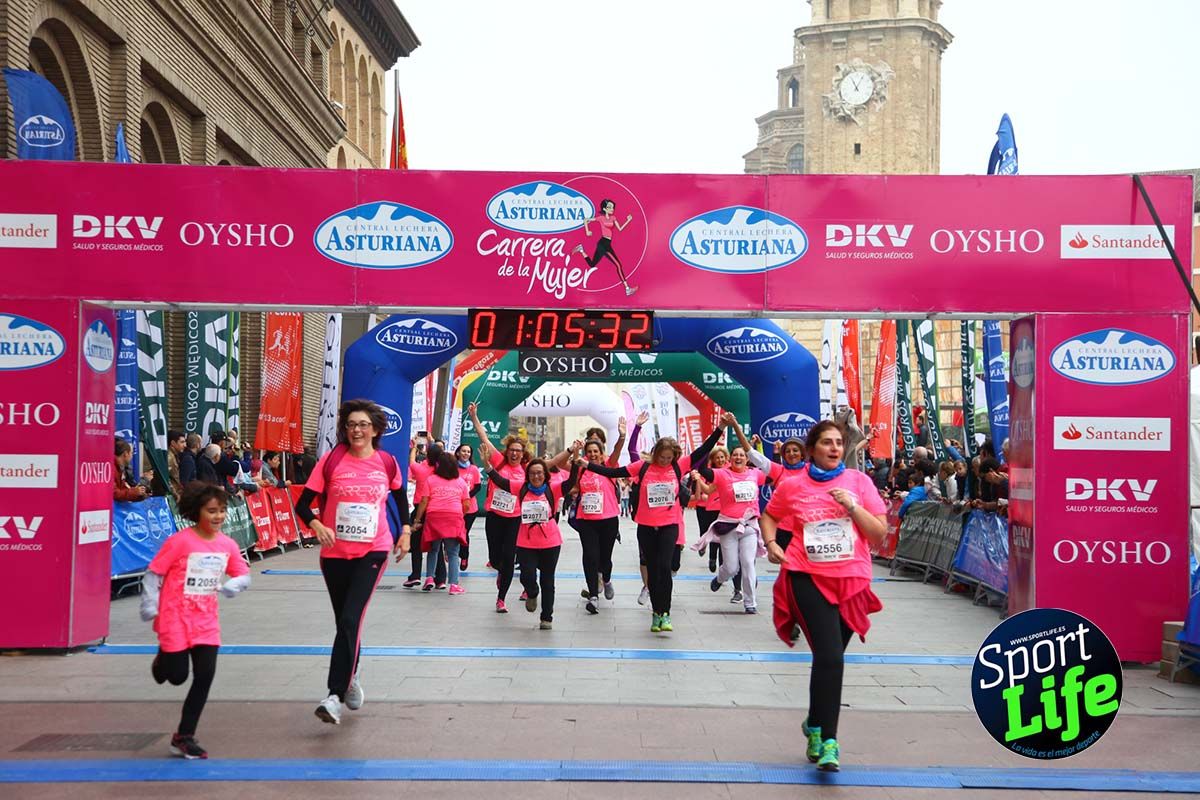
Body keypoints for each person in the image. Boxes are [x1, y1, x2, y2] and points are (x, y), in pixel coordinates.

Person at [759, 420, 888, 773]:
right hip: (807, 575)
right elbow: (769, 515)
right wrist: (771, 544)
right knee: (830, 656)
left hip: (852, 579)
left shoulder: (859, 483)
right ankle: (829, 741)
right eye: (827, 443)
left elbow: (878, 534)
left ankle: (814, 723)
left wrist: (853, 507)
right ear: (812, 448)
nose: (834, 448)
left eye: (838, 443)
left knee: (829, 659)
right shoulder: (793, 485)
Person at [293, 399, 411, 726]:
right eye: (350, 425)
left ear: (375, 429)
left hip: (373, 551)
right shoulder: (332, 461)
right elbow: (303, 505)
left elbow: (401, 500)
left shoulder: (386, 462)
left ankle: (333, 696)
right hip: (334, 553)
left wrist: (406, 532)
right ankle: (352, 674)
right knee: (345, 623)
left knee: (349, 619)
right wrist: (317, 525)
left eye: (363, 425)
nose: (356, 430)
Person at [139, 482, 251, 759]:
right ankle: (163, 660)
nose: (218, 517)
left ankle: (184, 736)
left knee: (204, 676)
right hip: (174, 617)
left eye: (222, 511)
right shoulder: (180, 542)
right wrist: (150, 603)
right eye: (212, 511)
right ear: (196, 511)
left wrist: (233, 585)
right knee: (176, 677)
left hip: (206, 622)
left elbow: (243, 573)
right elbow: (153, 574)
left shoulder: (227, 544)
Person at [583, 418, 724, 633]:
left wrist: (721, 427)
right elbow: (614, 472)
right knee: (653, 571)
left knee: (665, 569)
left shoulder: (680, 465)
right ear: (655, 453)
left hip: (670, 525)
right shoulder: (643, 466)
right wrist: (588, 465)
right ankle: (655, 613)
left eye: (669, 458)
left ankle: (665, 613)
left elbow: (704, 449)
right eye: (662, 457)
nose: (665, 461)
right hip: (647, 527)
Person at [486, 448, 579, 629]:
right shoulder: (520, 488)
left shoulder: (554, 488)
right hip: (526, 541)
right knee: (527, 576)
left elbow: (572, 481)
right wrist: (487, 466)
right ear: (527, 475)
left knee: (548, 580)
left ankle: (546, 617)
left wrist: (575, 459)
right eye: (532, 473)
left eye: (539, 473)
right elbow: (499, 480)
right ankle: (532, 592)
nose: (536, 477)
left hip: (550, 541)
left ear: (545, 475)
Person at [692, 440, 767, 614]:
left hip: (749, 526)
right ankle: (720, 578)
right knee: (731, 567)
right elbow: (702, 469)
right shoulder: (722, 474)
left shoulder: (755, 474)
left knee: (748, 563)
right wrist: (708, 448)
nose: (738, 457)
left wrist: (767, 451)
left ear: (747, 458)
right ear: (730, 459)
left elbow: (772, 471)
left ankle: (750, 602)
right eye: (735, 455)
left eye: (742, 455)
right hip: (728, 526)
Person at [573, 418, 626, 614]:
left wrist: (622, 435)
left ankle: (607, 578)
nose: (593, 455)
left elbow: (618, 450)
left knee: (605, 559)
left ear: (601, 453)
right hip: (586, 520)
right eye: (589, 452)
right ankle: (594, 596)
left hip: (609, 519)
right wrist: (574, 452)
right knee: (590, 556)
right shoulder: (581, 468)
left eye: (596, 451)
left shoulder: (609, 465)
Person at [412, 451, 471, 595]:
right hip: (454, 516)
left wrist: (417, 520)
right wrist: (460, 515)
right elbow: (467, 504)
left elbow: (424, 501)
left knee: (433, 550)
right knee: (452, 552)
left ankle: (430, 578)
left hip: (434, 516)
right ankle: (454, 585)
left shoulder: (431, 480)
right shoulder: (461, 482)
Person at [570, 198, 638, 296]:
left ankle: (581, 250)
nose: (612, 209)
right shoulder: (601, 218)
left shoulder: (613, 218)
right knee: (618, 265)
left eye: (613, 207)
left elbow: (620, 229)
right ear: (604, 208)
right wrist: (587, 231)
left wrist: (628, 221)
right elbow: (586, 220)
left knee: (592, 264)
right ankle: (627, 289)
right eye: (609, 207)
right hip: (603, 243)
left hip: (606, 243)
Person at [405, 441, 447, 589]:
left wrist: (415, 447)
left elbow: (411, 462)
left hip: (419, 509)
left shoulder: (421, 469)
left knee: (416, 544)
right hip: (436, 510)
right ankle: (440, 578)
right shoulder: (441, 471)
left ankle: (415, 575)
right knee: (437, 545)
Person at [455, 444, 483, 571]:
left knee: (464, 532)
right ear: (458, 453)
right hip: (454, 506)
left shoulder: (474, 469)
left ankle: (464, 556)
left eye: (468, 452)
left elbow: (478, 487)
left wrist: (466, 496)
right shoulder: (452, 468)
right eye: (463, 451)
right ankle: (450, 552)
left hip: (470, 508)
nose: (466, 454)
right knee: (454, 532)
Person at [167, 430, 186, 498]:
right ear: (173, 443)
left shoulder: (174, 455)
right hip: (171, 496)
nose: (185, 445)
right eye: (182, 442)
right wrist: (176, 495)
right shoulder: (169, 457)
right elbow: (166, 479)